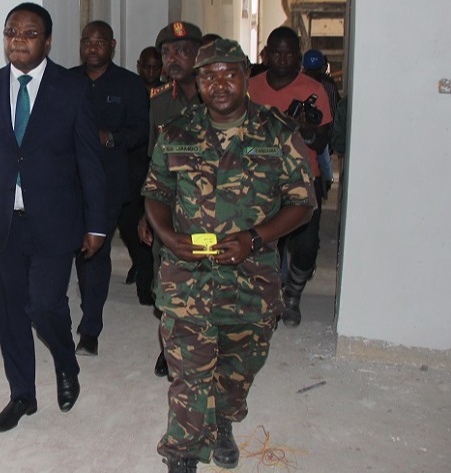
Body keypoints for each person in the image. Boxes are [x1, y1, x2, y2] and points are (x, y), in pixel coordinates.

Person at [143, 39, 316, 473]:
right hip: (187, 276)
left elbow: (303, 202)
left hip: (251, 277)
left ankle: (223, 420)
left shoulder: (277, 132)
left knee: (239, 369)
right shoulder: (177, 131)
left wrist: (255, 239)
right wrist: (168, 236)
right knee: (189, 373)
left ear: (246, 77)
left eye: (229, 74)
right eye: (208, 76)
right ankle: (183, 451)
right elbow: (157, 192)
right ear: (198, 81)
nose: (219, 84)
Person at [0, 2, 107, 433]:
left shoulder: (72, 90)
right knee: (10, 313)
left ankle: (66, 360)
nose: (18, 39)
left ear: (47, 42)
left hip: (55, 221)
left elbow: (90, 163)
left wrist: (96, 223)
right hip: (3, 224)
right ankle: (22, 395)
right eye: (11, 32)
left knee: (43, 304)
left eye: (30, 33)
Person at [69, 21, 149, 356]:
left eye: (99, 41)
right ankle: (88, 307)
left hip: (110, 181)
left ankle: (90, 329)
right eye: (87, 41)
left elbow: (142, 131)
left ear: (112, 46)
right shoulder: (66, 81)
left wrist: (111, 137)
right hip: (70, 182)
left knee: (97, 251)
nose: (92, 47)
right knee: (79, 250)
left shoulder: (130, 85)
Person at [247, 26, 332, 327]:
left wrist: (302, 129)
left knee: (306, 246)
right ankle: (270, 301)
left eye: (288, 53)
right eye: (276, 52)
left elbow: (321, 142)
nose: (282, 58)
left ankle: (293, 293)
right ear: (266, 54)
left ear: (298, 56)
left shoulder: (313, 89)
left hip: (302, 178)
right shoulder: (250, 87)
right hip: (259, 178)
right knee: (264, 243)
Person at [140, 21, 204, 378]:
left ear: (200, 55)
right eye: (166, 52)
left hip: (214, 210)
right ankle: (170, 346)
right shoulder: (160, 102)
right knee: (165, 278)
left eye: (182, 51)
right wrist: (146, 213)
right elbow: (154, 163)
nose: (172, 58)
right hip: (171, 209)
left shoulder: (220, 97)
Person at [118, 46, 160, 305]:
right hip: (132, 164)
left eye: (156, 67)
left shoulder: (168, 93)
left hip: (158, 164)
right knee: (128, 223)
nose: (151, 72)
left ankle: (147, 279)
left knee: (152, 222)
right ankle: (139, 262)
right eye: (146, 66)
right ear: (138, 65)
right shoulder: (130, 89)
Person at [302, 49, 341, 197]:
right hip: (302, 134)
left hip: (321, 133)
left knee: (324, 162)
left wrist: (329, 136)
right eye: (309, 71)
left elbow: (333, 111)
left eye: (315, 71)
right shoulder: (297, 85)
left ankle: (324, 184)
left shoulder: (328, 87)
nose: (312, 74)